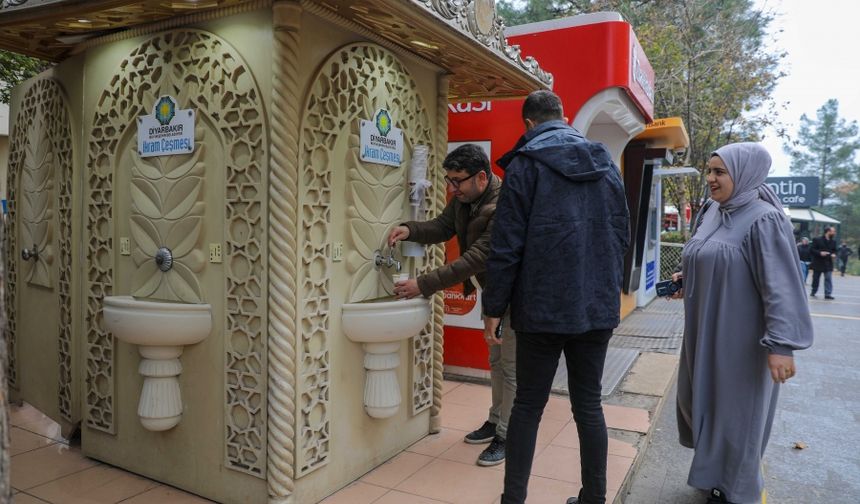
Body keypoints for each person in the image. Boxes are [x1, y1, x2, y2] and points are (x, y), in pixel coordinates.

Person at [481, 90, 630, 504]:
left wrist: (493, 309)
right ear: (563, 117)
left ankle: (513, 500)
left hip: (540, 309)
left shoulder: (526, 167)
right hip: (595, 307)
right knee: (589, 406)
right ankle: (594, 499)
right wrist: (604, 292)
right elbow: (621, 235)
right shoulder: (605, 165)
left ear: (529, 124)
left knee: (527, 406)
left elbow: (506, 246)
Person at [671, 143, 813, 504]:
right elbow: (708, 254)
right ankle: (714, 477)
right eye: (709, 170)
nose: (711, 179)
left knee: (737, 417)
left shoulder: (765, 218)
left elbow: (781, 285)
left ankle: (733, 491)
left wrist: (782, 346)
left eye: (721, 172)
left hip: (742, 341)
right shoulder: (713, 211)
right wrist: (687, 277)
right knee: (701, 404)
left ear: (745, 174)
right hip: (703, 333)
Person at [387, 143, 513, 467]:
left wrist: (422, 285)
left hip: (515, 293)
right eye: (449, 180)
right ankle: (496, 420)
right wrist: (410, 229)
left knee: (512, 368)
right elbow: (443, 228)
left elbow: (475, 258)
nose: (452, 188)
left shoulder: (503, 205)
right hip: (493, 291)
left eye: (458, 181)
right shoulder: (465, 199)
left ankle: (507, 435)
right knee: (497, 362)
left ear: (481, 178)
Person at [810, 226, 837, 299]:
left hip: (828, 263)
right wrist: (820, 253)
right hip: (818, 262)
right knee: (816, 278)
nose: (834, 233)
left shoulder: (833, 242)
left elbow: (834, 250)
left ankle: (827, 294)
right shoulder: (817, 239)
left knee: (828, 278)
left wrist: (834, 254)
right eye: (833, 231)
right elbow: (812, 250)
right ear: (828, 232)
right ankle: (814, 290)